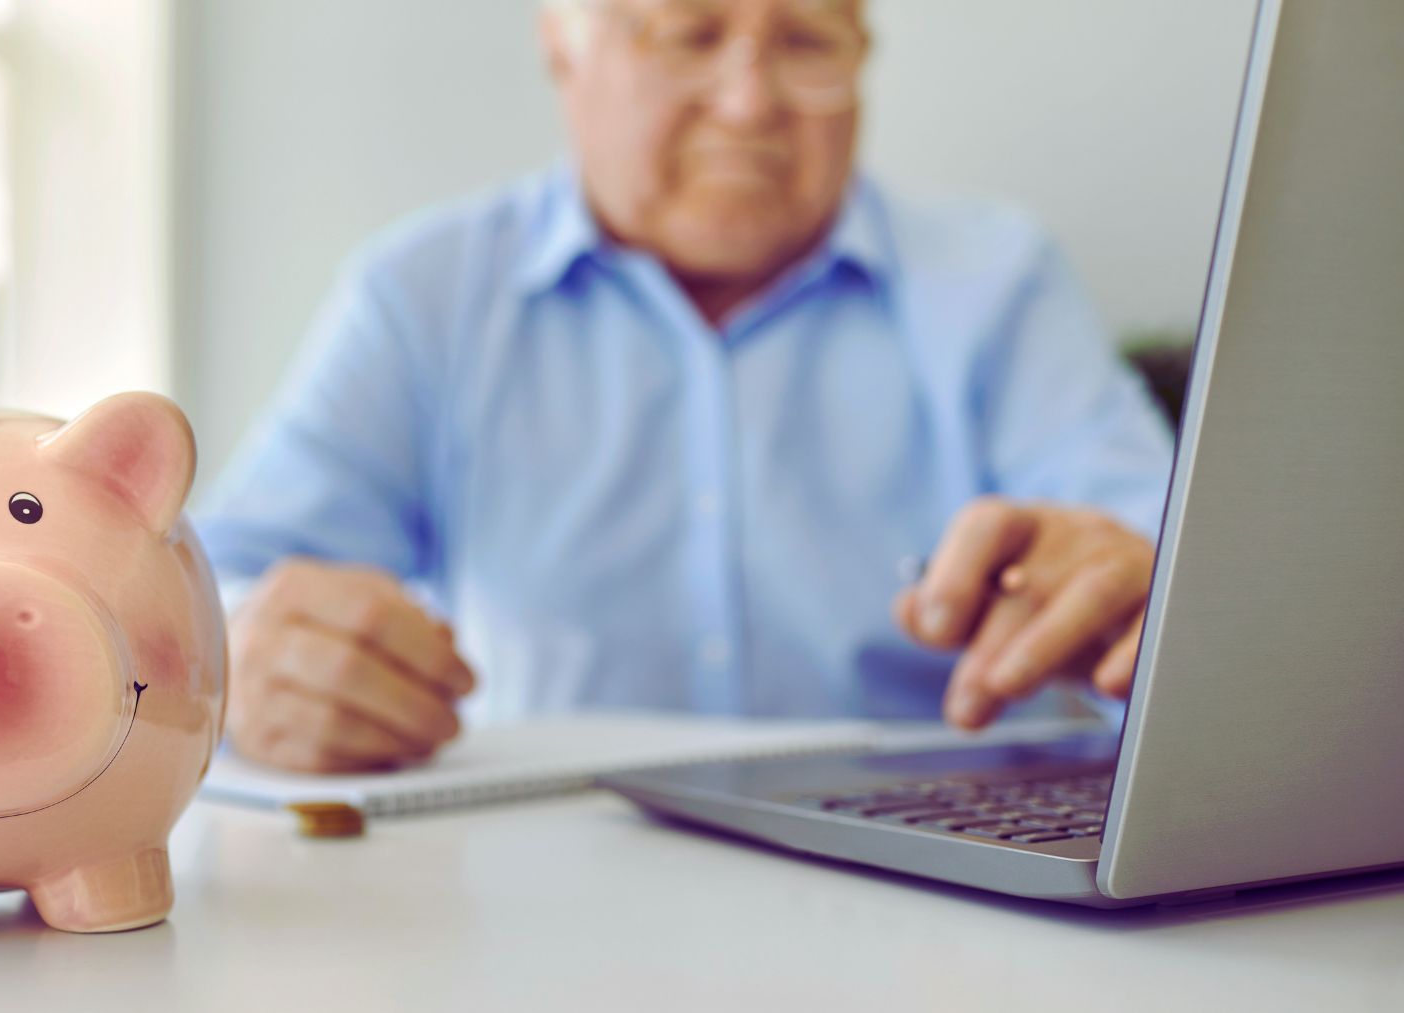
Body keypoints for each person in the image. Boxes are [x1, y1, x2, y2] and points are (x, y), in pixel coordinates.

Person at [199, 0, 1174, 774]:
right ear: (563, 50)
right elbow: (207, 598)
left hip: (948, 883)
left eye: (805, 37)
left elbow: (1188, 602)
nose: (750, 101)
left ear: (864, 58)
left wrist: (1138, 584)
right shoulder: (425, 294)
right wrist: (247, 656)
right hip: (541, 882)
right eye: (691, 31)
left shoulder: (1000, 280)